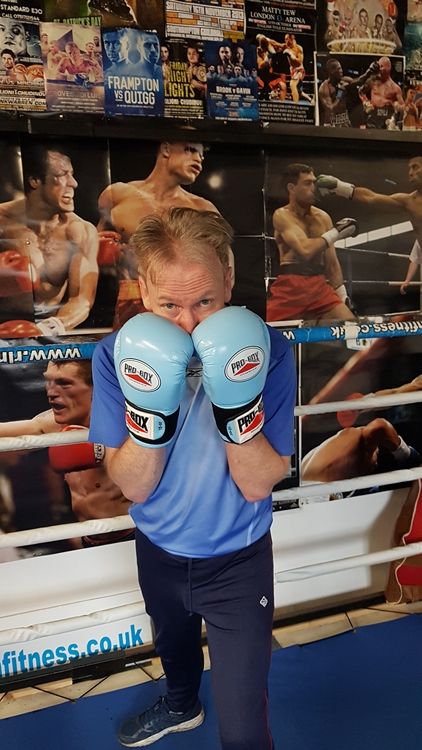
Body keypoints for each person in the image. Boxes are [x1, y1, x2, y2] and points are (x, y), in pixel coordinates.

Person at [89, 206, 296, 749]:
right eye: (169, 305)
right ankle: (181, 706)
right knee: (174, 653)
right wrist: (152, 410)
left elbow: (259, 483)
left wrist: (235, 403)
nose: (188, 324)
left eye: (204, 301)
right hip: (157, 549)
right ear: (143, 290)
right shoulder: (116, 355)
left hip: (238, 564)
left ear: (229, 278)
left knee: (244, 728)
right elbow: (133, 486)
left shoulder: (269, 352)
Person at [0, 360, 132, 547]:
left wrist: (107, 452)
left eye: (64, 383)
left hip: (132, 537)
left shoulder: (127, 424)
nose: (51, 392)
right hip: (89, 538)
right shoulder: (57, 424)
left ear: (96, 388)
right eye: (48, 381)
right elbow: (21, 429)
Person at [97, 141, 219, 328]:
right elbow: (94, 254)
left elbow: (224, 269)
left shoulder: (202, 209)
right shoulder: (118, 195)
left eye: (202, 156)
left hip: (182, 309)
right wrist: (112, 256)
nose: (198, 160)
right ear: (166, 149)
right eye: (190, 150)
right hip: (129, 300)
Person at [0, 144, 99, 336]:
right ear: (35, 181)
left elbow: (82, 300)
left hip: (50, 332)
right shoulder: (3, 222)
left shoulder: (80, 231)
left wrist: (45, 329)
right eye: (62, 175)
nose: (73, 183)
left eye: (72, 174)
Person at [316, 156, 422, 298]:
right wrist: (340, 187)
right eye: (409, 168)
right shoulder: (409, 201)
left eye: (415, 167)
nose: (410, 173)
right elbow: (372, 198)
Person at [267, 162, 358, 323]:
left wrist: (343, 296)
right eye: (307, 183)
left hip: (319, 286)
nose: (313, 188)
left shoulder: (323, 217)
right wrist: (337, 232)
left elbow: (331, 264)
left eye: (314, 183)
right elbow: (305, 250)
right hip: (290, 287)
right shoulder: (282, 215)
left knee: (351, 326)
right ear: (292, 188)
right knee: (265, 331)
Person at [302, 418, 421, 485]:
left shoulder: (332, 453)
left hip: (306, 488)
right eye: (376, 453)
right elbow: (380, 426)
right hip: (314, 494)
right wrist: (407, 456)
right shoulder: (356, 441)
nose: (375, 464)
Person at [358, 56, 404, 129]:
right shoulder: (373, 81)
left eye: (382, 66)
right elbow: (361, 91)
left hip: (388, 119)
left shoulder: (395, 88)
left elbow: (403, 108)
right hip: (372, 117)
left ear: (389, 67)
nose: (379, 68)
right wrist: (365, 102)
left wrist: (398, 107)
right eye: (379, 66)